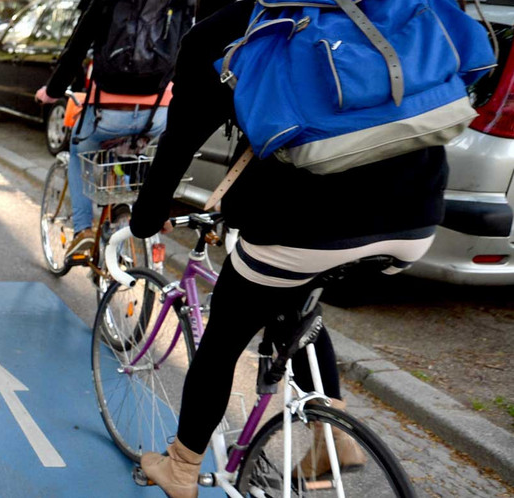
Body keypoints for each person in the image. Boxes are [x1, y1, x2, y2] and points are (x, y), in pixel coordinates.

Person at [127, 1, 447, 496]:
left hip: (305, 223)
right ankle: (331, 434)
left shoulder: (234, 26)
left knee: (223, 340)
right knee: (292, 300)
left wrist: (145, 219)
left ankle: (181, 468)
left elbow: (182, 137)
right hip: (418, 216)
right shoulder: (379, 9)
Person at [35, 0, 180, 258]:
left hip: (108, 113)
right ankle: (137, 209)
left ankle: (82, 231)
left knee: (80, 152)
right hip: (158, 113)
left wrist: (51, 91)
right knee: (137, 151)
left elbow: (76, 49)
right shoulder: (179, 2)